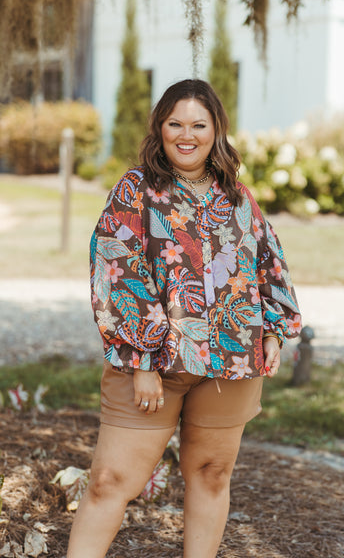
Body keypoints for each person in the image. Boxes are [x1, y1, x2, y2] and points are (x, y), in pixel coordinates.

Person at [67, 79, 301, 558]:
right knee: (111, 482)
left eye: (199, 124)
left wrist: (275, 328)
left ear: (216, 130)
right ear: (160, 127)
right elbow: (116, 271)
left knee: (212, 475)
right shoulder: (135, 191)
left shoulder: (237, 196)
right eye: (176, 123)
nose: (186, 134)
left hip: (232, 362)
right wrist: (142, 361)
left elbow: (267, 260)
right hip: (155, 366)